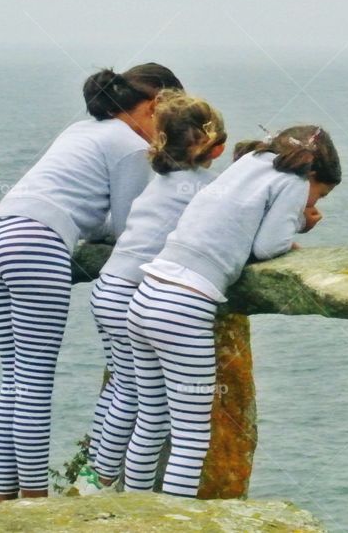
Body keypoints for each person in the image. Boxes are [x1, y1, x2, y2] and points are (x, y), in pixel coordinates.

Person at [0, 63, 183, 501]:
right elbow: (130, 226)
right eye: (167, 117)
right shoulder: (128, 145)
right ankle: (33, 503)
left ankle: (4, 499)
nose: (165, 132)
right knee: (35, 379)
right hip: (37, 245)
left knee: (13, 377)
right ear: (152, 106)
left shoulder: (82, 130)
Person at [123, 125, 340, 497]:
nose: (313, 202)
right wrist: (300, 223)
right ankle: (171, 524)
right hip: (184, 307)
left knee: (151, 418)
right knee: (191, 435)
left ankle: (133, 513)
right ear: (315, 175)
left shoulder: (251, 162)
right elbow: (269, 245)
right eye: (318, 195)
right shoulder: (293, 181)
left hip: (146, 296)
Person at [74, 91, 226, 494]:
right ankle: (109, 488)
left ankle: (96, 480)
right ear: (213, 145)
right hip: (132, 293)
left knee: (129, 393)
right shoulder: (203, 187)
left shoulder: (160, 179)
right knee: (149, 409)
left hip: (109, 289)